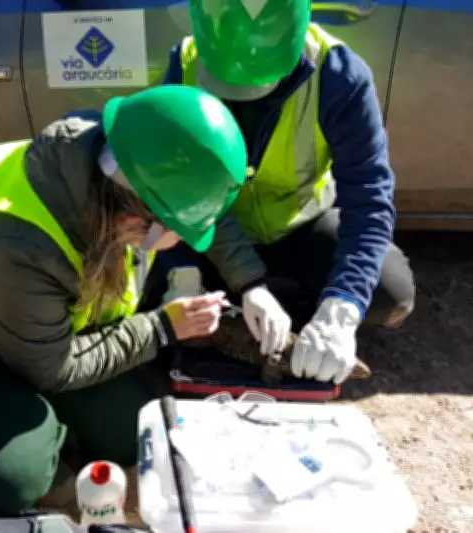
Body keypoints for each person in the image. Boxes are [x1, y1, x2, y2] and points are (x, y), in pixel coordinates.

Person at [0, 85, 248, 515]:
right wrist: (162, 327)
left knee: (136, 430)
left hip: (15, 315)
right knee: (20, 477)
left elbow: (196, 207)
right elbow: (53, 368)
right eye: (175, 232)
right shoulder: (17, 242)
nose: (179, 241)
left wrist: (253, 285)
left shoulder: (114, 160)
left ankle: (26, 404)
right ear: (137, 222)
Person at [157, 0, 416, 384]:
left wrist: (340, 310)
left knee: (387, 292)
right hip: (214, 235)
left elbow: (370, 201)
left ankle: (287, 319)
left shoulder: (340, 75)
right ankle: (242, 309)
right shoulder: (186, 65)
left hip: (300, 226)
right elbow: (171, 187)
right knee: (140, 287)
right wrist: (182, 273)